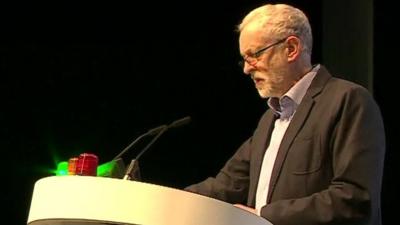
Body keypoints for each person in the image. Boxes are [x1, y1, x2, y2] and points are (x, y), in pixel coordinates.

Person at [184, 3, 385, 225]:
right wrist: (166, 199)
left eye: (255, 55)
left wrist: (262, 217)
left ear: (291, 49)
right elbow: (226, 185)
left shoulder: (347, 100)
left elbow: (355, 199)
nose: (247, 68)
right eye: (245, 58)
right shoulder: (270, 119)